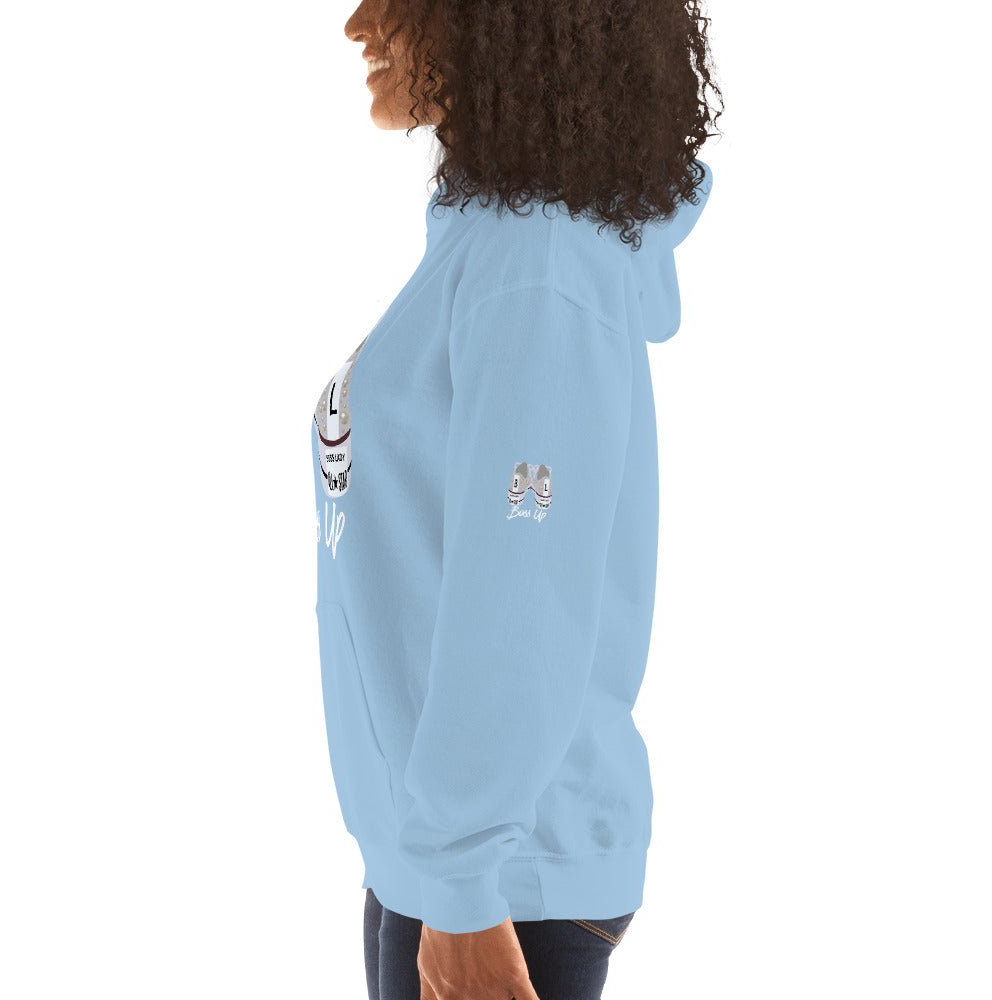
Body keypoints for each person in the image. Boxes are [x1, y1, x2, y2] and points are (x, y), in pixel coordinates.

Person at [313, 2, 722, 998]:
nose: (358, 23)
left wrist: (460, 880)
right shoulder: (491, 243)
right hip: (441, 860)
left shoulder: (536, 267)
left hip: (499, 880)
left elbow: (522, 594)